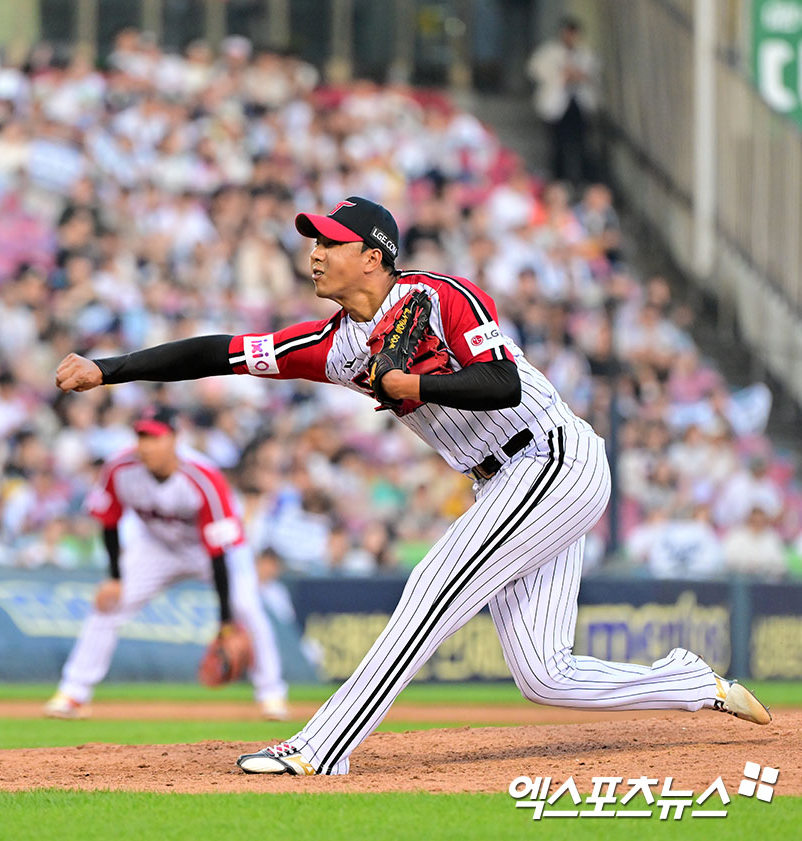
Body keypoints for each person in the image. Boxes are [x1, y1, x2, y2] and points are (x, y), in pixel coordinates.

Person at [54, 196, 771, 776]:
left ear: (373, 256)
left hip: (552, 455)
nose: (313, 253)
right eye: (313, 241)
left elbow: (503, 382)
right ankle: (690, 683)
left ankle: (318, 748)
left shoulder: (443, 295)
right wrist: (109, 368)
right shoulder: (331, 347)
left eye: (329, 243)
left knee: (431, 581)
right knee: (544, 676)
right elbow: (220, 352)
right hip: (506, 484)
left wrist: (414, 381)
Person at [44, 406, 289, 722]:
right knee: (108, 604)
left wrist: (225, 619)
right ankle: (73, 693)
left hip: (212, 551)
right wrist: (115, 578)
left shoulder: (203, 477)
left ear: (174, 438)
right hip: (156, 547)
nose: (146, 445)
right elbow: (109, 521)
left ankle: (271, 695)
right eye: (141, 436)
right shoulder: (120, 468)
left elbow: (217, 553)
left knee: (247, 608)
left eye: (154, 437)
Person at [527, 17, 599, 184]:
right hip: (556, 104)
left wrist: (579, 75)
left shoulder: (585, 53)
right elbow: (535, 71)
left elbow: (593, 74)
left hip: (579, 103)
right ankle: (559, 179)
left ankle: (580, 179)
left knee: (581, 144)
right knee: (557, 145)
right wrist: (562, 75)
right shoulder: (549, 52)